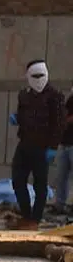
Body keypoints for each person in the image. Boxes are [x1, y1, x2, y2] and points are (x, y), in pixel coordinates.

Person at [10, 59, 66, 229]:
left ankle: (35, 219)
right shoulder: (24, 94)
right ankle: (26, 215)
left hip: (42, 147)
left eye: (41, 75)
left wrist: (53, 147)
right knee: (18, 180)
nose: (39, 79)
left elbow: (59, 123)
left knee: (40, 185)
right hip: (25, 143)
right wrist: (16, 119)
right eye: (34, 76)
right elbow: (21, 114)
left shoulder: (55, 96)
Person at [54, 85, 73, 215]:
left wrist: (65, 120)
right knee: (61, 176)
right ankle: (59, 205)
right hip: (64, 143)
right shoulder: (70, 99)